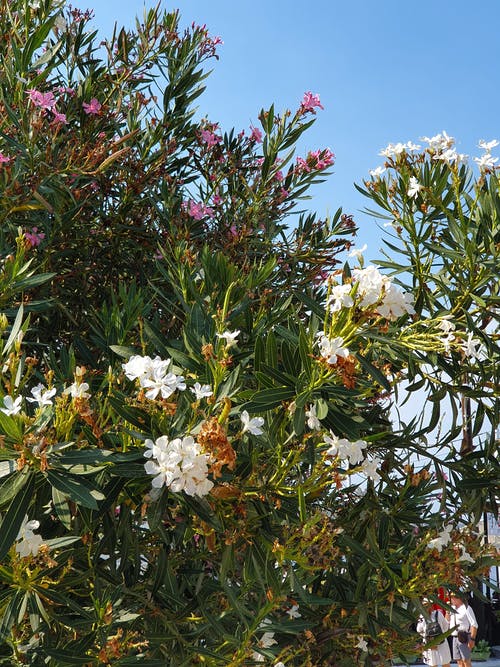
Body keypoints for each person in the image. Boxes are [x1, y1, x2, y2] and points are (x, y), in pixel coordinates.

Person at [416, 598, 451, 667]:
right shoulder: (438, 614)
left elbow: (419, 630)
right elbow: (446, 627)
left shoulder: (422, 617)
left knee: (433, 664)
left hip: (430, 644)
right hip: (441, 642)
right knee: (445, 663)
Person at [446, 593, 478, 667]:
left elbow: (474, 624)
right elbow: (447, 622)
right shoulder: (452, 608)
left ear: (458, 598)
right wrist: (447, 612)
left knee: (465, 660)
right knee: (459, 660)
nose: (450, 600)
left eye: (451, 598)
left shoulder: (466, 608)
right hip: (454, 637)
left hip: (464, 636)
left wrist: (472, 639)